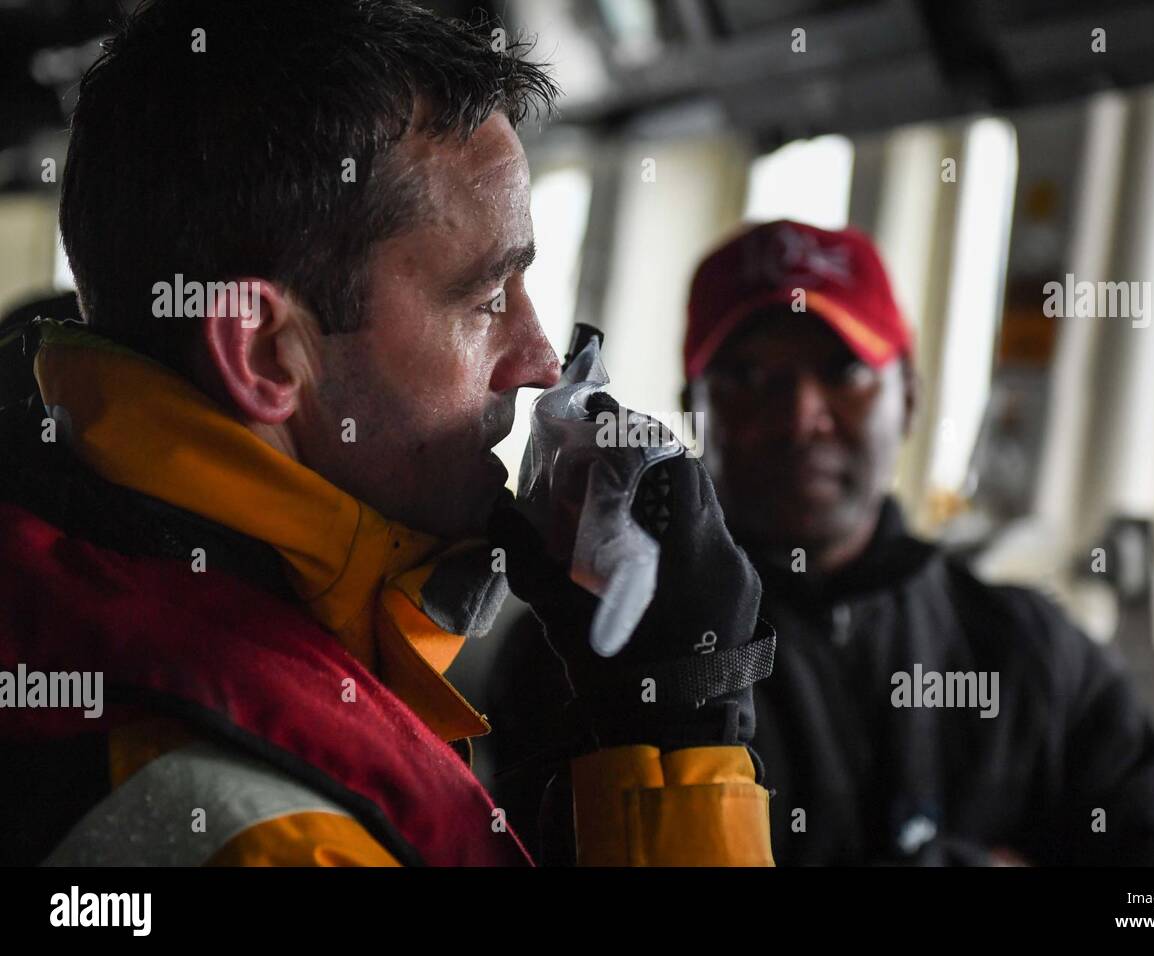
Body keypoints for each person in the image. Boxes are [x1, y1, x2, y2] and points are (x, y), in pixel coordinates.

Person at [0, 0, 773, 867]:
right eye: (487, 299)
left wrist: (634, 722)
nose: (542, 362)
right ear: (263, 353)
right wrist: (686, 735)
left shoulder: (69, 568)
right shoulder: (276, 841)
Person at [490, 219, 1154, 866]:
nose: (801, 416)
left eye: (845, 371)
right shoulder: (591, 657)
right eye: (750, 377)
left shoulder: (1037, 657)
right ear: (693, 405)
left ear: (911, 398)